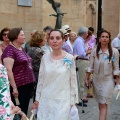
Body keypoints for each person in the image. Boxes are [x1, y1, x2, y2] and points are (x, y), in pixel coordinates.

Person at [32, 29, 78, 120]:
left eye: (58, 38)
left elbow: (73, 81)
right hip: (46, 100)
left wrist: (73, 102)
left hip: (63, 101)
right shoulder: (44, 58)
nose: (54, 41)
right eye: (52, 38)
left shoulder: (69, 58)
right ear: (48, 41)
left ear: (63, 40)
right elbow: (41, 80)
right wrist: (37, 99)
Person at [85, 30, 120, 120]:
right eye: (103, 37)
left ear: (109, 39)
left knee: (103, 104)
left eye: (107, 37)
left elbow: (116, 68)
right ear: (99, 39)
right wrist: (87, 78)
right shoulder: (94, 51)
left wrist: (118, 84)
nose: (104, 38)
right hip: (97, 80)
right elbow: (90, 66)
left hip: (108, 80)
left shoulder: (114, 52)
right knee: (101, 104)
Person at [2, 28, 35, 115]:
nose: (24, 37)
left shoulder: (21, 48)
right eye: (22, 35)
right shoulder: (9, 50)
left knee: (24, 109)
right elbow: (8, 70)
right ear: (16, 37)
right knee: (18, 111)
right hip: (19, 86)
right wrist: (14, 88)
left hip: (27, 85)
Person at [73, 27, 91, 107]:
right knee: (81, 81)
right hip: (81, 61)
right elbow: (81, 54)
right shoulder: (79, 41)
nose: (87, 34)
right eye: (86, 33)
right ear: (84, 33)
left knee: (83, 80)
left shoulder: (80, 41)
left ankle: (81, 98)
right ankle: (79, 99)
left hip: (83, 61)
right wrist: (89, 52)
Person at [29, 31, 47, 101]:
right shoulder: (38, 51)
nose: (45, 40)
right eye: (44, 38)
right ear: (40, 39)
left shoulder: (33, 49)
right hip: (37, 75)